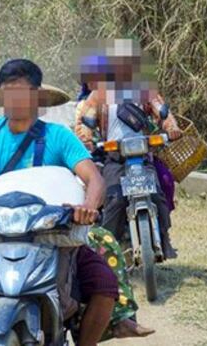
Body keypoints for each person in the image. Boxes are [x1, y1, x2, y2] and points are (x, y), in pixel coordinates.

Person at [0, 59, 117, 346]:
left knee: (104, 283)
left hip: (51, 235)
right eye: (8, 93)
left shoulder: (59, 136)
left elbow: (94, 179)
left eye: (21, 93)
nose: (14, 100)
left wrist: (88, 207)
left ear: (37, 96)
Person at [75, 43, 182, 260]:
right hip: (115, 156)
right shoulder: (100, 94)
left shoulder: (145, 90)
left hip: (143, 154)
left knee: (159, 196)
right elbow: (86, 119)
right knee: (113, 199)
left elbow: (161, 110)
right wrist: (85, 138)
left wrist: (172, 128)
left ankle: (163, 238)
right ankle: (105, 252)